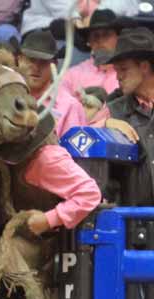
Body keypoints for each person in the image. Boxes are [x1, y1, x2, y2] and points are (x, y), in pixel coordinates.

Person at [96, 27, 154, 204]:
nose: (118, 76)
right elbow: (79, 136)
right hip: (134, 222)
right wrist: (105, 124)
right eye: (116, 70)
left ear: (144, 67)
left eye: (123, 69)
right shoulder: (113, 109)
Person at [18, 30, 86, 138]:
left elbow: (74, 153)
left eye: (43, 62)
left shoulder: (70, 106)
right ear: (20, 60)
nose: (36, 67)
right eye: (31, 60)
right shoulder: (7, 97)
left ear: (54, 64)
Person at [59, 9, 133, 98]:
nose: (100, 40)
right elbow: (58, 103)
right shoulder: (72, 75)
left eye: (106, 34)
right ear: (89, 41)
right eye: (95, 36)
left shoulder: (132, 73)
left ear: (119, 38)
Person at [22, 0, 139, 38]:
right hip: (47, 27)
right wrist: (79, 21)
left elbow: (129, 6)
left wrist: (96, 16)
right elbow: (64, 9)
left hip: (100, 27)